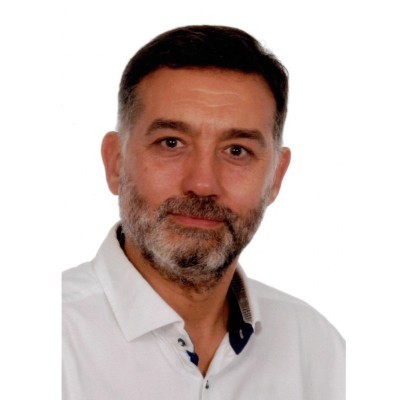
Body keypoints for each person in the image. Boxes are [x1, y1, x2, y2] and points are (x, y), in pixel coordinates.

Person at [62, 25, 345, 399]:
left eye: (237, 151)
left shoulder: (318, 350)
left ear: (276, 177)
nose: (202, 183)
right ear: (116, 163)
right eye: (171, 142)